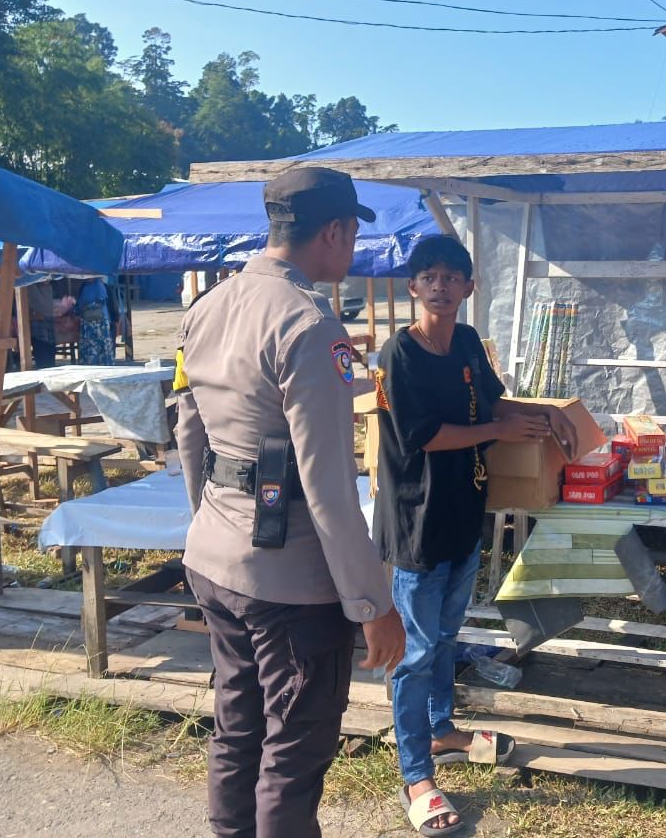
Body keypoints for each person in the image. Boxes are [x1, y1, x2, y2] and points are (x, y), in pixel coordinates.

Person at [174, 166, 407, 838]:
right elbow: (330, 488)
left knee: (236, 731)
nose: (354, 248)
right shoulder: (310, 326)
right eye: (353, 233)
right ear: (332, 231)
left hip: (216, 557)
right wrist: (372, 605)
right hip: (292, 582)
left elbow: (189, 433)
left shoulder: (207, 307)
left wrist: (211, 523)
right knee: (293, 755)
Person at [371, 234, 580, 837]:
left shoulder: (465, 342)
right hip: (416, 518)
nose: (439, 284)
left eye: (451, 276)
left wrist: (547, 414)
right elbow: (422, 436)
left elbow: (495, 403)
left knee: (444, 634)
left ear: (468, 288)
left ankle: (441, 732)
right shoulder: (398, 355)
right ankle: (416, 776)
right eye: (428, 276)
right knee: (413, 653)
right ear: (413, 287)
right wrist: (497, 429)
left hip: (465, 511)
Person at [75, 276, 114, 365]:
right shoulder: (84, 286)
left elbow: (101, 302)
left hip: (99, 323)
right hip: (87, 324)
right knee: (89, 347)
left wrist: (86, 307)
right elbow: (80, 303)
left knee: (99, 347)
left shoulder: (99, 286)